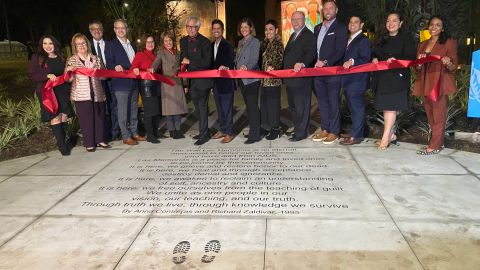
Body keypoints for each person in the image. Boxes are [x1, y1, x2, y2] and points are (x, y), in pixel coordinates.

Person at [413, 15, 457, 155]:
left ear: (443, 28)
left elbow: (453, 67)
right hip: (425, 82)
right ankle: (439, 143)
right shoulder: (422, 44)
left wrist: (448, 62)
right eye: (432, 24)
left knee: (439, 115)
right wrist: (419, 64)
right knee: (430, 114)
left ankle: (434, 146)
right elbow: (417, 68)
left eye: (438, 25)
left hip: (439, 83)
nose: (434, 27)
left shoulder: (449, 43)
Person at [372, 12, 416, 150]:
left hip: (398, 77)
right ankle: (390, 134)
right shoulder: (382, 38)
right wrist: (374, 58)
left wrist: (395, 58)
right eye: (388, 21)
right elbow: (375, 52)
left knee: (391, 107)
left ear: (401, 23)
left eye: (394, 21)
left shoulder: (406, 38)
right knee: (387, 107)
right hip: (383, 77)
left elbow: (410, 56)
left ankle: (385, 137)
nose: (390, 24)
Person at [28, 35, 74, 156]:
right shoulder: (38, 57)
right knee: (55, 117)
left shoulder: (61, 57)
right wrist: (47, 76)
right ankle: (61, 145)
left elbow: (64, 75)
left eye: (50, 43)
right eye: (45, 44)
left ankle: (63, 140)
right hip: (47, 91)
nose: (48, 46)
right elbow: (32, 75)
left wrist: (69, 71)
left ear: (55, 44)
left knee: (64, 116)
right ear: (41, 45)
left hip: (62, 90)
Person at [65, 33, 110, 152]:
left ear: (87, 44)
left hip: (97, 93)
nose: (81, 45)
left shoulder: (96, 58)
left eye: (83, 43)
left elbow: (104, 77)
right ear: (75, 46)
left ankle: (100, 139)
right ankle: (89, 142)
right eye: (78, 44)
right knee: (86, 120)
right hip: (81, 95)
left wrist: (100, 72)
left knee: (99, 118)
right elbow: (67, 79)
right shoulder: (72, 60)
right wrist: (69, 71)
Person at [311, 0, 348, 144]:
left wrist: (325, 62)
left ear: (336, 10)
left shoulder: (341, 28)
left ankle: (334, 131)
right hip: (318, 73)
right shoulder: (317, 28)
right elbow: (314, 50)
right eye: (325, 8)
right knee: (322, 103)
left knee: (333, 102)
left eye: (330, 8)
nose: (328, 11)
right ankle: (325, 129)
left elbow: (339, 51)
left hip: (333, 72)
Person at [105, 19, 145, 145]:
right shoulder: (111, 45)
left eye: (123, 28)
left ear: (126, 29)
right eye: (118, 28)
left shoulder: (132, 44)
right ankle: (125, 136)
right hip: (121, 83)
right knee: (122, 111)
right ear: (114, 30)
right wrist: (115, 66)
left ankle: (134, 132)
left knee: (134, 109)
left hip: (134, 82)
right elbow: (109, 63)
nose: (121, 30)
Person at [283, 11, 317, 142]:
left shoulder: (308, 35)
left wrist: (302, 63)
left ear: (304, 20)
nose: (295, 21)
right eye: (293, 19)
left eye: (298, 19)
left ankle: (301, 133)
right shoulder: (293, 35)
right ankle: (298, 130)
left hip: (301, 78)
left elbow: (311, 53)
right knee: (293, 107)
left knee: (301, 107)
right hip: (290, 79)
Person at [180, 16, 214, 145]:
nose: (190, 29)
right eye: (188, 26)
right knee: (197, 109)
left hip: (203, 80)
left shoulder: (205, 42)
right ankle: (203, 131)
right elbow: (183, 60)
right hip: (191, 81)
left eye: (193, 27)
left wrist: (190, 62)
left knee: (202, 107)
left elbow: (206, 62)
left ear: (198, 28)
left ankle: (204, 135)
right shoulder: (183, 41)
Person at [339, 15, 372, 145]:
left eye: (356, 22)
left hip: (357, 81)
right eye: (350, 22)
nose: (352, 24)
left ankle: (357, 136)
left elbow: (365, 58)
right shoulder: (350, 39)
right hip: (349, 80)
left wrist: (352, 61)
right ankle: (355, 131)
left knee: (357, 108)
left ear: (361, 25)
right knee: (353, 108)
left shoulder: (363, 40)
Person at [152, 32, 189, 139]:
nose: (169, 43)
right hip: (167, 84)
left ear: (173, 41)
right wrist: (152, 68)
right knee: (169, 110)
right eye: (166, 41)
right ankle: (172, 131)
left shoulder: (178, 53)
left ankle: (178, 129)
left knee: (178, 108)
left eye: (170, 40)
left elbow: (183, 70)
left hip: (177, 83)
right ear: (163, 43)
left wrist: (185, 85)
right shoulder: (161, 53)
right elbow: (155, 63)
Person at [89, 21, 118, 142]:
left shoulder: (110, 44)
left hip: (112, 80)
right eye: (94, 29)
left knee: (114, 106)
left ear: (103, 30)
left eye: (99, 28)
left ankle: (115, 133)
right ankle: (104, 135)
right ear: (90, 31)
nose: (97, 31)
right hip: (97, 82)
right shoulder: (88, 46)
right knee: (101, 109)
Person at [131, 34, 162, 144]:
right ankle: (150, 135)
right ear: (144, 43)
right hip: (146, 86)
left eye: (152, 41)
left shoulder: (156, 55)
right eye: (148, 42)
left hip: (156, 86)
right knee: (149, 112)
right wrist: (135, 69)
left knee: (156, 111)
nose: (150, 44)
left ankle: (155, 131)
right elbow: (133, 66)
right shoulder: (140, 54)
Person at [235, 17, 262, 144]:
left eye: (246, 27)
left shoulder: (255, 41)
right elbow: (237, 60)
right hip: (242, 79)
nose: (243, 29)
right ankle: (253, 130)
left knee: (252, 106)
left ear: (251, 28)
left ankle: (255, 135)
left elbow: (254, 59)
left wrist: (247, 67)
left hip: (251, 79)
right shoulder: (240, 42)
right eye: (241, 27)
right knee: (249, 107)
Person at [210, 19, 235, 143]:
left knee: (227, 108)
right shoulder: (211, 45)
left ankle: (229, 132)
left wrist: (226, 67)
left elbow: (231, 61)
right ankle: (222, 129)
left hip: (226, 82)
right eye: (214, 28)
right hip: (215, 84)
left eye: (218, 29)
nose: (216, 30)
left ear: (222, 30)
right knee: (219, 109)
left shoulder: (227, 45)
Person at [260, 19, 284, 140]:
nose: (268, 31)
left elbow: (279, 59)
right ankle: (267, 127)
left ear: (276, 30)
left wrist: (273, 67)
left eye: (270, 29)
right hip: (264, 81)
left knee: (273, 106)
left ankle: (276, 129)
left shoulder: (278, 43)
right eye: (266, 29)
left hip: (273, 80)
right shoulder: (265, 43)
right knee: (265, 105)